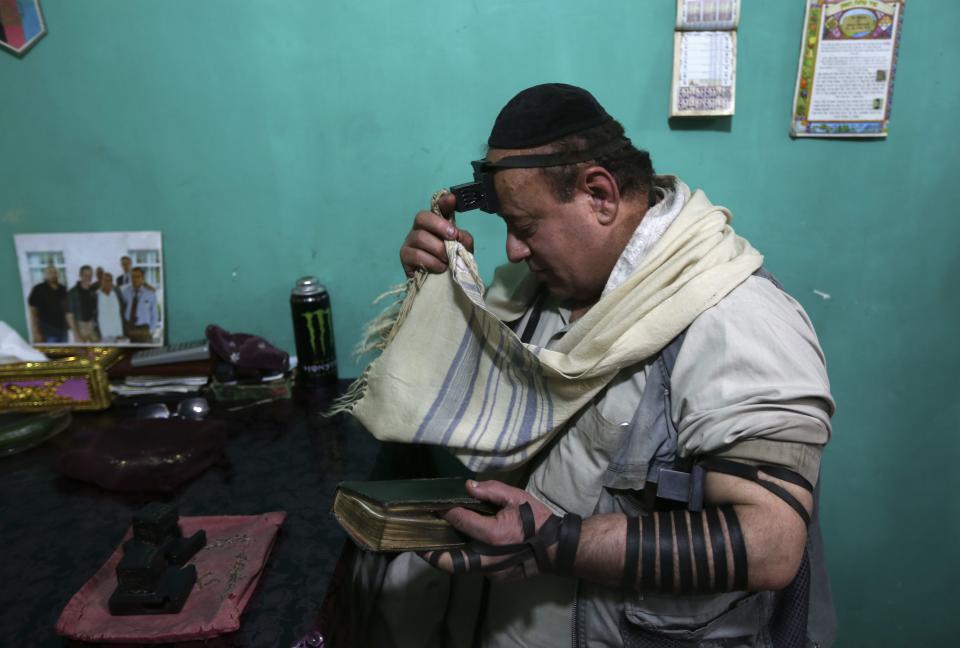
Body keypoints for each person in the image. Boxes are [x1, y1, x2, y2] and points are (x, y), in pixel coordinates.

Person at [379, 84, 835, 647]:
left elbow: (770, 545)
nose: (514, 251)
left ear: (600, 195)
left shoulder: (737, 322)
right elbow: (472, 420)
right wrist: (437, 296)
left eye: (525, 226)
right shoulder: (533, 295)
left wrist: (554, 542)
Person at [27, 264, 68, 343]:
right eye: (50, 272)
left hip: (62, 330)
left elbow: (66, 308)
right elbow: (33, 310)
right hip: (47, 330)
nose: (53, 275)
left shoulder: (63, 289)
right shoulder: (38, 289)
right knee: (50, 354)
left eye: (55, 272)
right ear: (45, 275)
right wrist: (35, 330)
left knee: (64, 353)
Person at [121, 267, 159, 343]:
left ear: (142, 278)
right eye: (133, 277)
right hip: (129, 327)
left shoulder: (150, 293)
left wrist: (152, 330)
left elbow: (154, 313)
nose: (135, 279)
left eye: (138, 277)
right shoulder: (125, 292)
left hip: (143, 329)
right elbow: (121, 309)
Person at [66, 265, 100, 343]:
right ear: (80, 276)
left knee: (97, 350)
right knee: (83, 353)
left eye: (90, 275)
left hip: (91, 325)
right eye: (85, 275)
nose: (88, 277)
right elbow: (69, 315)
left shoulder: (92, 291)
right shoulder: (73, 292)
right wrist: (76, 334)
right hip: (80, 325)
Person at [95, 272, 124, 341]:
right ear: (101, 282)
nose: (108, 283)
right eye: (106, 280)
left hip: (117, 334)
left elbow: (120, 313)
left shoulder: (116, 293)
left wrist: (120, 332)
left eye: (110, 280)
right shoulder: (96, 295)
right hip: (103, 335)